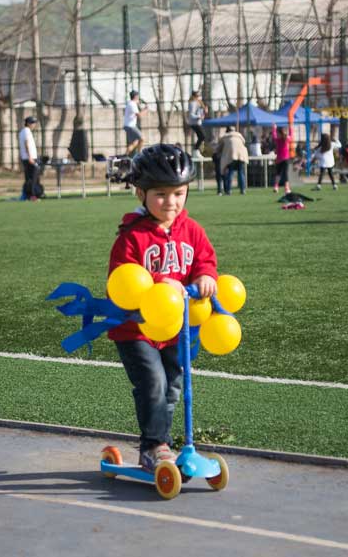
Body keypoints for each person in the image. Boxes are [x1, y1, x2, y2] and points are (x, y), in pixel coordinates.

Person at [107, 144, 218, 473]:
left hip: (175, 327)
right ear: (140, 193)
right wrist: (159, 281)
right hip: (135, 328)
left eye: (179, 193)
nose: (171, 202)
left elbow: (205, 259)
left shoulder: (192, 230)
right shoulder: (131, 237)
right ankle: (152, 447)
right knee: (153, 381)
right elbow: (121, 279)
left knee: (173, 383)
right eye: (161, 194)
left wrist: (206, 276)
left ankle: (163, 443)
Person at [218, 126, 248, 195]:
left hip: (231, 156)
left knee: (230, 173)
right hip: (241, 156)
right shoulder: (239, 135)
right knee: (240, 172)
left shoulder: (225, 137)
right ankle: (242, 189)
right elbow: (244, 143)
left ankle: (229, 190)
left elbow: (219, 147)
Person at [18, 115, 41, 201]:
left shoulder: (23, 132)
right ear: (28, 123)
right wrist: (30, 157)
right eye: (32, 123)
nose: (34, 125)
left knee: (29, 178)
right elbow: (26, 144)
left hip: (26, 158)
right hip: (29, 159)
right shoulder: (26, 131)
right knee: (33, 178)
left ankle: (26, 195)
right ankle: (32, 195)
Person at [124, 90, 148, 156]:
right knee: (142, 138)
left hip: (128, 126)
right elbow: (139, 115)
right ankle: (139, 155)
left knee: (135, 142)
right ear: (136, 96)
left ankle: (125, 155)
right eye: (138, 96)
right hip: (130, 126)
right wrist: (145, 109)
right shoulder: (132, 104)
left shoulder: (130, 103)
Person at [272, 125, 293, 194]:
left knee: (278, 173)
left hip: (279, 159)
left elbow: (274, 135)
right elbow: (291, 135)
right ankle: (286, 188)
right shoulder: (287, 139)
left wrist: (274, 128)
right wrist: (290, 128)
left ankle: (276, 186)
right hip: (286, 159)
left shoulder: (277, 140)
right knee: (285, 173)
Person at [186, 90, 207, 156]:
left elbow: (200, 112)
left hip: (198, 122)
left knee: (201, 137)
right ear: (194, 97)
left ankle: (197, 150)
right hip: (194, 123)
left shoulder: (199, 103)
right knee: (202, 136)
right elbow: (191, 114)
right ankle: (195, 150)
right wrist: (199, 117)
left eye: (199, 96)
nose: (198, 98)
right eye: (197, 96)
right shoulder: (192, 103)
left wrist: (204, 111)